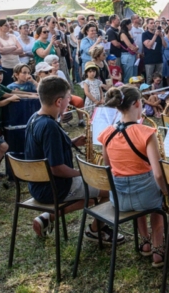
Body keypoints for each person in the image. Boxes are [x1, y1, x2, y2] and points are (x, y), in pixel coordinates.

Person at [25, 76, 121, 243]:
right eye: (68, 97)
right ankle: (95, 230)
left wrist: (72, 142)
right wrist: (84, 173)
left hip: (37, 185)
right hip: (56, 187)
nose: (70, 101)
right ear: (59, 101)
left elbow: (43, 149)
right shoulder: (50, 127)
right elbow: (57, 168)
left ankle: (49, 217)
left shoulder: (35, 118)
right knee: (112, 188)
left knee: (92, 198)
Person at [99, 86, 169, 266]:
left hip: (119, 200)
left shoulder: (106, 133)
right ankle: (159, 250)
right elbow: (158, 174)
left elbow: (107, 168)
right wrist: (167, 191)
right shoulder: (147, 132)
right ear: (137, 103)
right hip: (146, 198)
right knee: (158, 198)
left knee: (140, 186)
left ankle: (145, 242)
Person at [0, 19, 22, 85]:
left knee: (18, 85)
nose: (8, 26)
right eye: (6, 25)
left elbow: (21, 49)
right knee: (7, 85)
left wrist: (6, 50)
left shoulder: (13, 36)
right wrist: (13, 47)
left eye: (8, 25)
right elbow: (0, 50)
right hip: (5, 66)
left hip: (17, 65)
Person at [143, 18, 165, 84]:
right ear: (147, 25)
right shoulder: (145, 34)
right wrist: (155, 35)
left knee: (159, 78)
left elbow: (165, 45)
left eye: (153, 23)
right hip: (149, 60)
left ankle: (159, 92)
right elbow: (149, 46)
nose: (153, 24)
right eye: (151, 23)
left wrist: (161, 36)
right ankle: (148, 92)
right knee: (149, 78)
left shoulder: (159, 34)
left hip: (159, 59)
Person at [119, 18, 139, 83]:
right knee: (128, 76)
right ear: (126, 25)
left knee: (134, 75)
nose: (131, 26)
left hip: (132, 55)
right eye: (130, 24)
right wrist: (136, 48)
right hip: (127, 56)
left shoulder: (128, 33)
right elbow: (130, 45)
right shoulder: (122, 33)